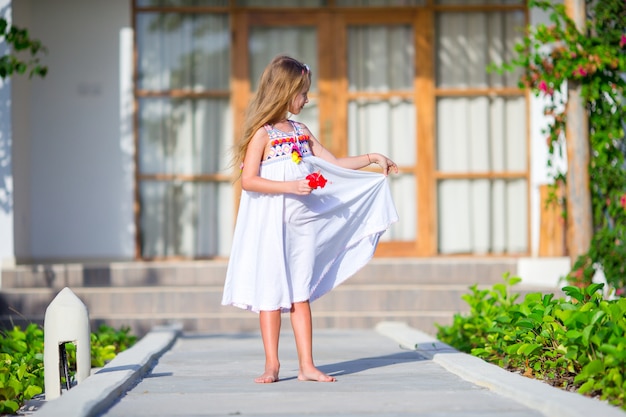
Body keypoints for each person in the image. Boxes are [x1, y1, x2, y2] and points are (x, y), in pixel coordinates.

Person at [221, 55, 399, 383]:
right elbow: (249, 180)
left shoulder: (302, 132)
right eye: (303, 92)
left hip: (302, 226)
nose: (307, 98)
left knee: (299, 293)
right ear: (286, 92)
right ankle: (272, 365)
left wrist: (373, 158)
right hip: (272, 226)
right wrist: (289, 185)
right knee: (270, 294)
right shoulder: (264, 133)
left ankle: (307, 365)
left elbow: (333, 163)